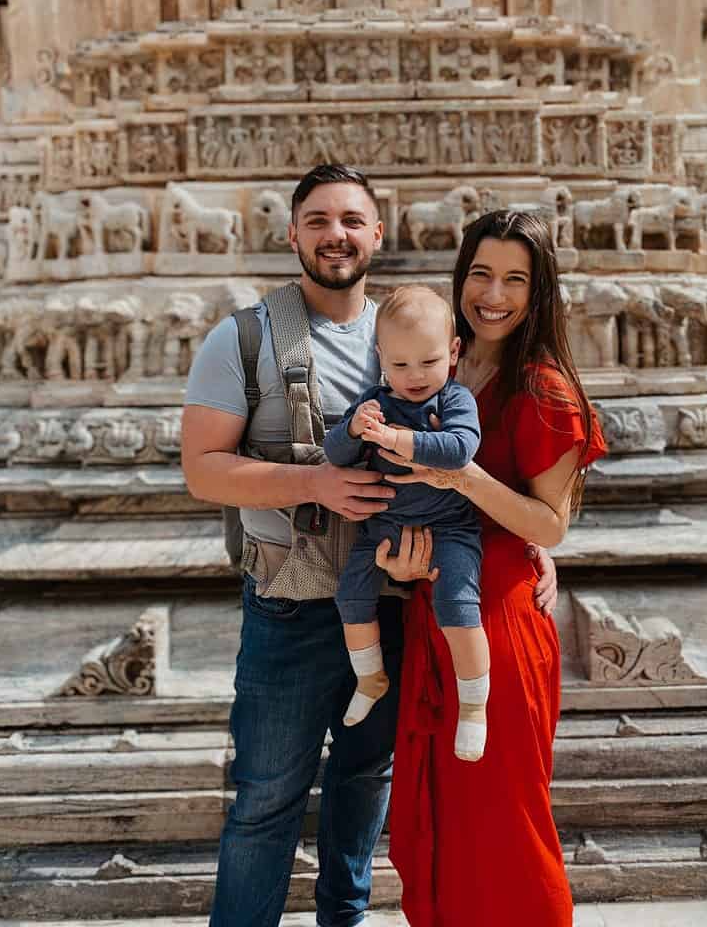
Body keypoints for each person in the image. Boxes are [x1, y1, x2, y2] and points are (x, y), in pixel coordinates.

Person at [181, 165, 559, 927]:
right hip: (290, 610)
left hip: (396, 606)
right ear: (291, 234)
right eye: (317, 221)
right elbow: (201, 470)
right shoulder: (243, 336)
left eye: (352, 220)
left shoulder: (412, 332)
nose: (336, 235)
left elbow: (487, 459)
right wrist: (314, 482)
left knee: (362, 801)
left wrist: (525, 537)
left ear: (378, 235)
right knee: (263, 805)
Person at [386, 209, 607, 927]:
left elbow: (551, 525)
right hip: (439, 603)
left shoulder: (542, 387)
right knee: (450, 821)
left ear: (539, 290)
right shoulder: (440, 360)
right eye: (481, 273)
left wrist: (462, 478)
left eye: (517, 278)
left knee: (506, 823)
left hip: (497, 622)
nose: (495, 294)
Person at [324, 285, 489, 762]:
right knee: (350, 595)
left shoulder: (455, 400)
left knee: (458, 607)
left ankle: (475, 705)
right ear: (380, 358)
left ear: (453, 352)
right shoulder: (374, 403)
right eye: (399, 365)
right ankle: (371, 677)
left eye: (428, 362)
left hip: (450, 528)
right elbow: (336, 455)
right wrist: (355, 428)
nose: (414, 377)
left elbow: (460, 449)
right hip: (383, 526)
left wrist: (399, 438)